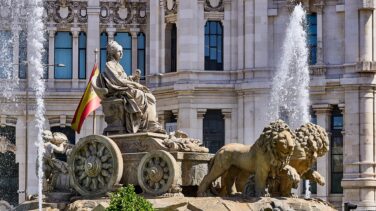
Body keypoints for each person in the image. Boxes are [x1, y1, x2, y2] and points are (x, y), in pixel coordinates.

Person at [96, 40, 165, 134]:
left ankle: (151, 123)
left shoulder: (118, 65)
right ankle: (140, 122)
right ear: (113, 52)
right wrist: (136, 84)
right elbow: (117, 80)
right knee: (140, 94)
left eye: (122, 51)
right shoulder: (109, 65)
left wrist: (133, 78)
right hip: (118, 91)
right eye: (119, 51)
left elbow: (124, 78)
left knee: (150, 96)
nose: (121, 54)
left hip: (124, 88)